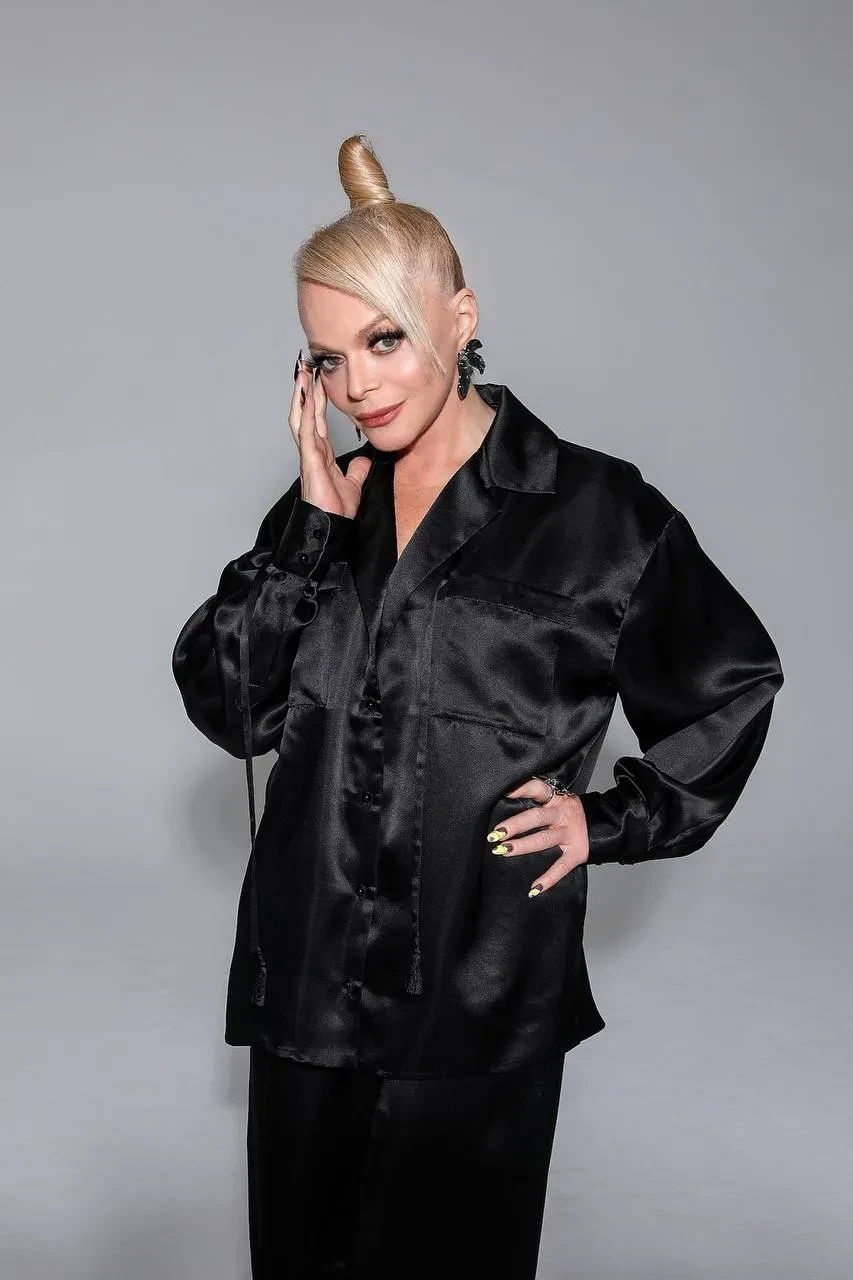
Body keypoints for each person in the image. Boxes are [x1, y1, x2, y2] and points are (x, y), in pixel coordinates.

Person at [171, 134, 784, 1279]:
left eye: (384, 339)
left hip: (479, 986)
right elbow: (229, 705)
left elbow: (729, 680)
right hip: (308, 987)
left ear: (460, 318)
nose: (357, 386)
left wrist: (610, 818)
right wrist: (305, 534)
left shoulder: (598, 512)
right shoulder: (323, 510)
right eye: (327, 356)